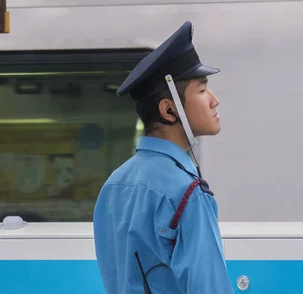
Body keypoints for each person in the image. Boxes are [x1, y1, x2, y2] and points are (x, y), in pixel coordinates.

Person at [92, 21, 234, 293]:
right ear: (169, 110)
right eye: (202, 90)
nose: (214, 100)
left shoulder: (113, 185)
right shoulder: (188, 192)